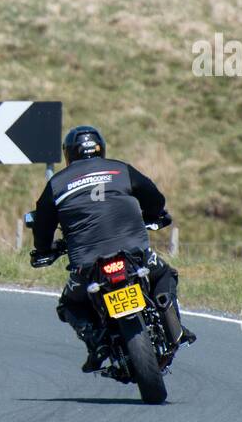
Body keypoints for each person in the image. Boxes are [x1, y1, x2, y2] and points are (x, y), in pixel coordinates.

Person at [30, 125, 195, 371]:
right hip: (135, 253)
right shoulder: (120, 169)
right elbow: (154, 197)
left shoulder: (57, 183)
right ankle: (172, 322)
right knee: (163, 274)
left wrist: (44, 250)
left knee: (70, 304)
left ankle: (95, 341)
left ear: (69, 155)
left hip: (87, 264)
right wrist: (155, 215)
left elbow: (42, 224)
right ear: (101, 149)